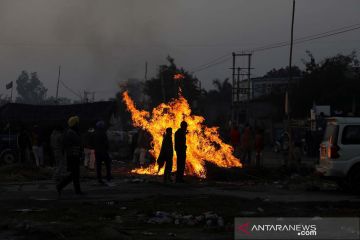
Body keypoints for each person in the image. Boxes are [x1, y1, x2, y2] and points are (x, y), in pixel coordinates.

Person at [56, 116, 84, 196]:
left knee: (75, 174)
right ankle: (60, 186)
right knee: (74, 174)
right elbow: (74, 143)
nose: (78, 124)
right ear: (74, 124)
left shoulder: (72, 132)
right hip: (72, 156)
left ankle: (76, 190)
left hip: (74, 155)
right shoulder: (70, 133)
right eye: (77, 123)